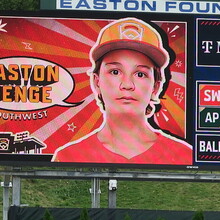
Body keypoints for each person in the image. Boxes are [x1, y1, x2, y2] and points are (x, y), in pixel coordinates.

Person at [51, 17, 192, 164]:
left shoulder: (184, 156)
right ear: (96, 81)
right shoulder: (67, 157)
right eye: (115, 72)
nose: (127, 84)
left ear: (155, 87)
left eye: (140, 74)